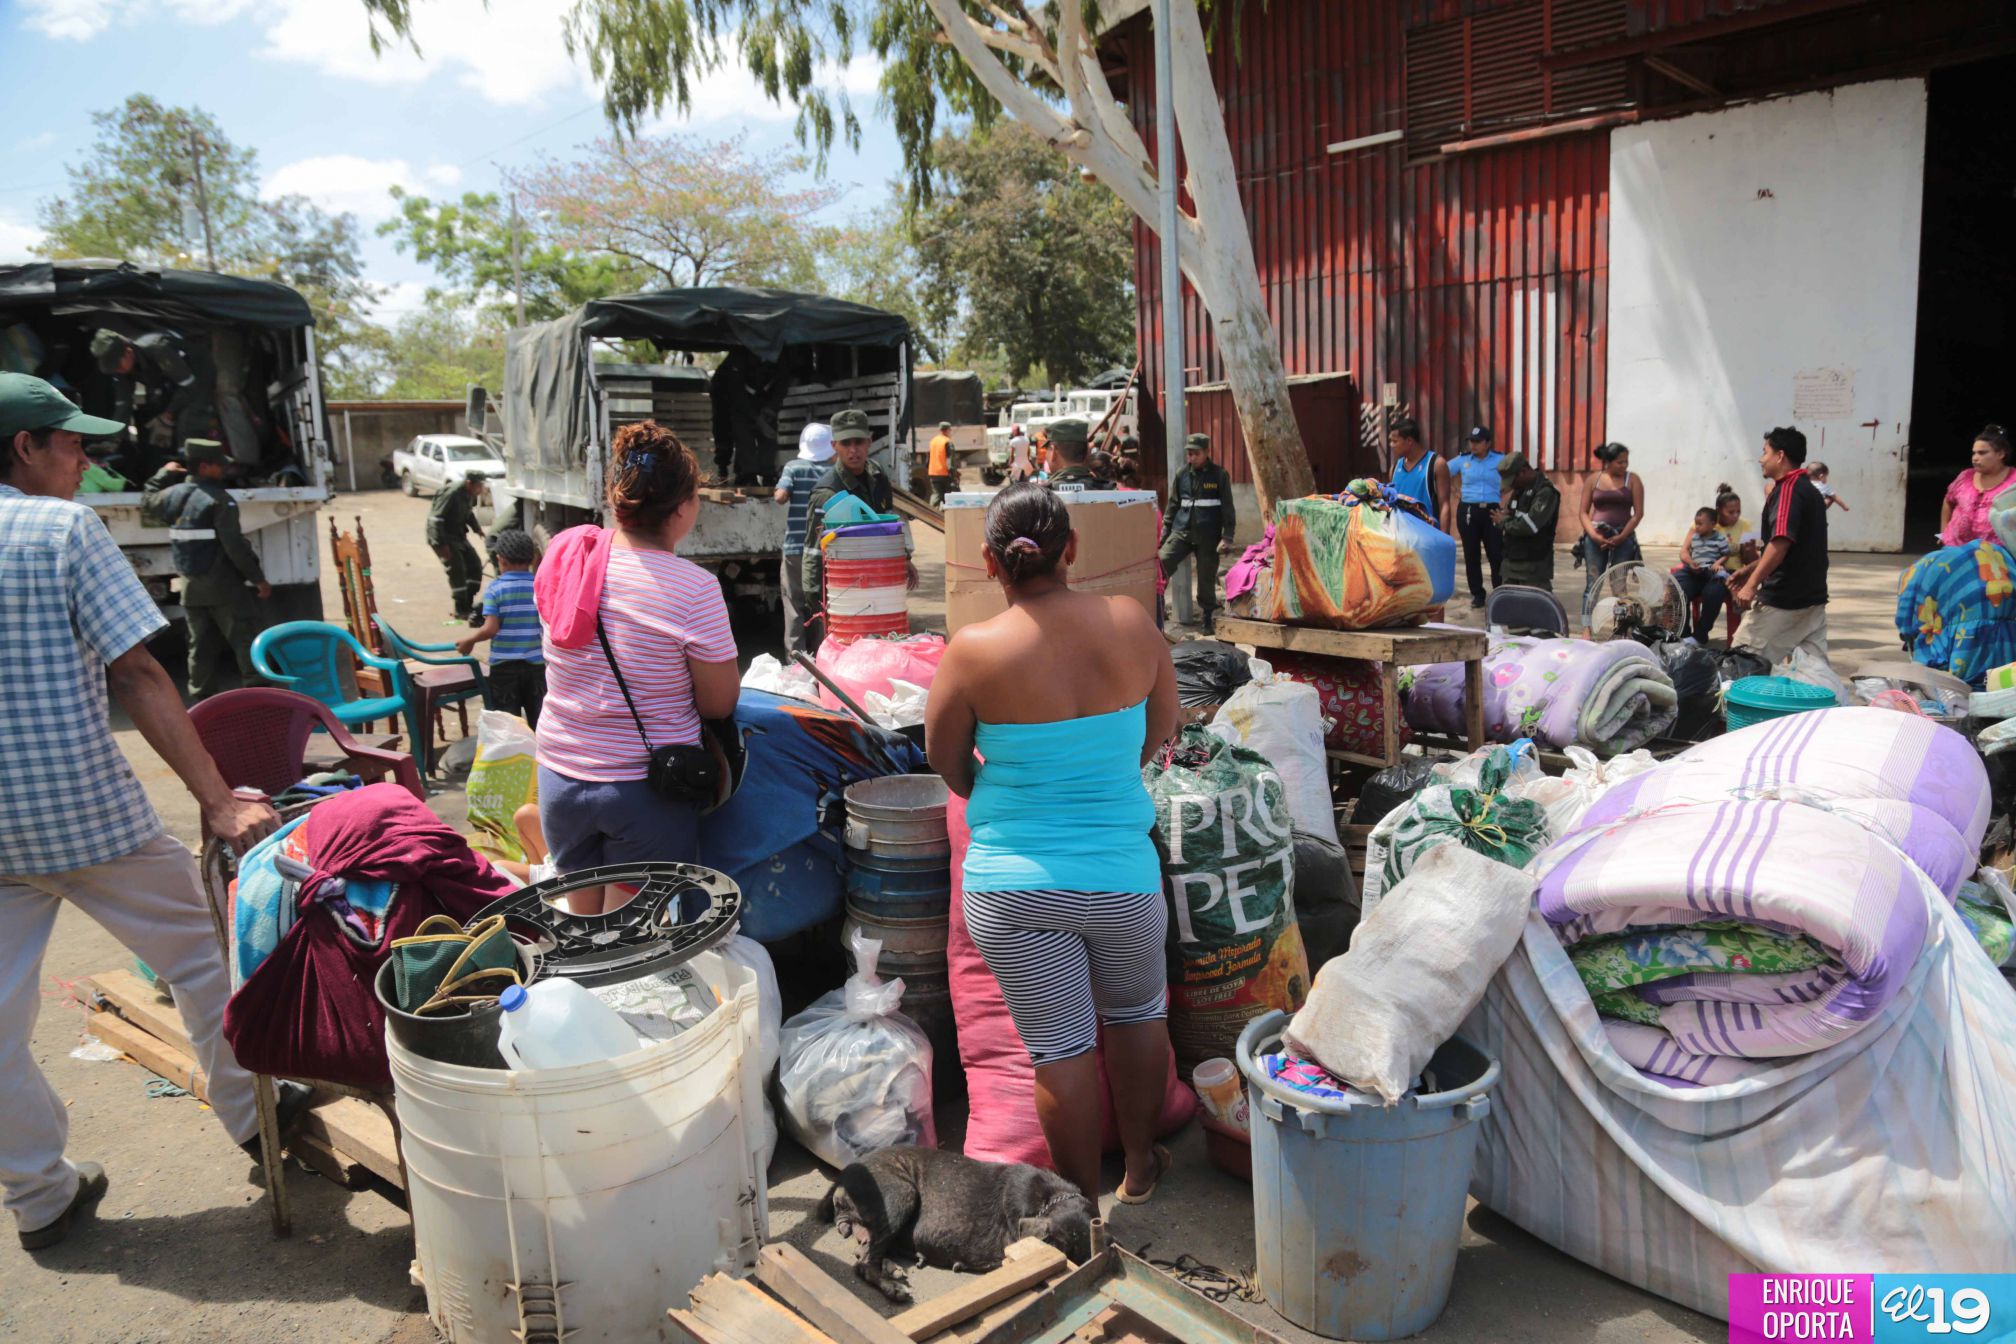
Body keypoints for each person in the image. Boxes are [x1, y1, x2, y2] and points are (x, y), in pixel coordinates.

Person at [0, 372, 295, 1252]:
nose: (82, 460)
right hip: (82, 814)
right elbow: (134, 672)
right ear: (23, 447)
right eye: (70, 443)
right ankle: (252, 1117)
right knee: (204, 953)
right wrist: (219, 800)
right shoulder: (59, 528)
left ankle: (38, 1197)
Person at [924, 482, 1179, 1204]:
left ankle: (1079, 1211)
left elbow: (947, 763)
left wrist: (1001, 794)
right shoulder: (1131, 623)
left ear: (989, 562)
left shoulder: (972, 651)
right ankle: (1139, 1168)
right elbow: (1162, 727)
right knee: (1138, 1018)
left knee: (1059, 1049)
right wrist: (1106, 774)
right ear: (1072, 549)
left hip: (1011, 891)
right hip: (1123, 878)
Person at [533, 421, 740, 913]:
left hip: (559, 776)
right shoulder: (694, 588)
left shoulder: (568, 560)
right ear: (683, 507)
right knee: (629, 936)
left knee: (584, 924)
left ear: (616, 497)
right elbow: (718, 702)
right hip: (641, 789)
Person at [141, 438, 271, 701]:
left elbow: (148, 500)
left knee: (199, 647)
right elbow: (235, 547)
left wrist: (163, 474)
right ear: (204, 467)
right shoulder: (219, 500)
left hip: (191, 588)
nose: (223, 469)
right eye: (218, 464)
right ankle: (260, 699)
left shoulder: (172, 495)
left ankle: (202, 703)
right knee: (245, 641)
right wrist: (258, 579)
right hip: (225, 587)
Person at [802, 408, 918, 628]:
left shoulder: (877, 475)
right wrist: (817, 601)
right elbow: (814, 551)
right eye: (846, 443)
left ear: (869, 442)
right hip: (845, 591)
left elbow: (888, 523)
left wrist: (904, 557)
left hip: (879, 581)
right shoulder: (826, 492)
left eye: (859, 442)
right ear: (834, 446)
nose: (853, 450)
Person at [1730, 426, 1829, 665]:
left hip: (1785, 600)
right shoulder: (1810, 491)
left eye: (1765, 452)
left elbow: (1781, 543)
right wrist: (1749, 569)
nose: (1761, 459)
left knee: (1740, 664)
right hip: (1813, 599)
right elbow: (1795, 548)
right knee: (1813, 674)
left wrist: (1750, 586)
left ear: (1780, 456)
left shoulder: (1788, 490)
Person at [457, 528, 546, 727]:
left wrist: (469, 641)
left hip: (504, 669)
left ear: (500, 560)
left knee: (507, 725)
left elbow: (490, 629)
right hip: (536, 667)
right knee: (539, 722)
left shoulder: (495, 589)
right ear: (533, 559)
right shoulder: (539, 586)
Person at [1159, 432, 1236, 633]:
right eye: (1189, 454)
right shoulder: (1182, 474)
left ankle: (1208, 616)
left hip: (1208, 536)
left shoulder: (1219, 475)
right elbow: (1173, 505)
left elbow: (1228, 508)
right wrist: (1164, 533)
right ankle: (1158, 606)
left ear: (1207, 452)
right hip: (1182, 531)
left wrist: (1227, 537)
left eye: (1196, 454)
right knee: (1161, 563)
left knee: (1206, 578)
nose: (1191, 458)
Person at [774, 422, 833, 657]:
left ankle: (796, 660)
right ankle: (823, 656)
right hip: (823, 550)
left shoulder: (794, 467)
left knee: (793, 604)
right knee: (822, 603)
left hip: (795, 549)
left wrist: (785, 491)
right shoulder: (833, 472)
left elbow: (780, 496)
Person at [1576, 441, 1645, 631]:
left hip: (1623, 538)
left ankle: (1623, 627)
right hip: (1595, 539)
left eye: (1626, 462)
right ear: (1608, 461)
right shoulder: (1594, 480)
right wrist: (1594, 535)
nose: (1624, 466)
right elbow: (1583, 512)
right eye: (1619, 462)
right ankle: (1587, 628)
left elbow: (1638, 513)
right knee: (1593, 584)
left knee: (1619, 585)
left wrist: (1622, 536)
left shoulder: (1633, 480)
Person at [1449, 425, 1506, 606]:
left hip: (1492, 510)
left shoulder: (1500, 459)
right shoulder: (1463, 460)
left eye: (1478, 442)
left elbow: (1516, 474)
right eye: (1471, 441)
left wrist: (1505, 496)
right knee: (1471, 554)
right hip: (1468, 510)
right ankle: (1477, 594)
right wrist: (1454, 490)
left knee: (1496, 554)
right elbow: (1441, 471)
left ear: (1487, 443)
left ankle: (1500, 594)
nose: (1473, 445)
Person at [1492, 451, 1559, 590]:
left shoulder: (1545, 492)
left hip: (1533, 568)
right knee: (1508, 602)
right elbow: (1509, 513)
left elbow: (1530, 526)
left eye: (1512, 481)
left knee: (1533, 603)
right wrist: (1505, 517)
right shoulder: (1520, 489)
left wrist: (1503, 521)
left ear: (1522, 472)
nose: (1511, 486)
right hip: (1511, 564)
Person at [1940, 426, 2014, 548]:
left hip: (1997, 554)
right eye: (1974, 453)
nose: (1975, 458)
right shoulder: (1965, 477)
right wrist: (1943, 534)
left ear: (2000, 454)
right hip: (1955, 549)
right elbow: (1948, 500)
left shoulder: (2013, 482)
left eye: (1982, 453)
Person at [428, 471, 488, 620]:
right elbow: (436, 519)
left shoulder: (469, 494)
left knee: (475, 565)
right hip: (443, 536)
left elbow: (468, 513)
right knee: (457, 570)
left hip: (458, 535)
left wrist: (477, 529)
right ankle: (459, 608)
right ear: (469, 483)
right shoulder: (451, 493)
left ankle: (468, 603)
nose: (480, 489)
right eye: (478, 485)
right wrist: (440, 544)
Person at [1674, 507, 1732, 644]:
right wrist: (1691, 562)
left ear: (1712, 524)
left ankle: (1700, 635)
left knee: (1713, 592)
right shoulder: (1694, 537)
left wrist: (1717, 564)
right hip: (1694, 570)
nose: (1697, 527)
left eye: (1700, 524)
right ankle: (1683, 634)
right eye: (1696, 524)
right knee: (1676, 586)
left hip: (1711, 571)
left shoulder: (1720, 538)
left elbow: (1726, 554)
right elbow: (1686, 552)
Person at [1386, 417, 1452, 535]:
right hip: (1400, 537)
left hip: (1427, 536)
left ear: (1409, 441)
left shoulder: (1436, 464)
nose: (1391, 445)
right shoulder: (1394, 468)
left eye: (1395, 441)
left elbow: (1444, 505)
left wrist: (1444, 537)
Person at [1044, 419, 1108, 487]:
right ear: (1088, 451)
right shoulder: (1108, 488)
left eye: (1047, 449)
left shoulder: (1043, 491)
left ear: (1053, 452)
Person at [1713, 484, 1760, 571]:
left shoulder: (1745, 525)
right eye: (1731, 512)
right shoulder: (1706, 523)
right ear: (1718, 510)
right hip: (1707, 572)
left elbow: (1750, 562)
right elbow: (1687, 550)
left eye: (1738, 511)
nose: (1736, 516)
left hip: (1734, 573)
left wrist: (1750, 550)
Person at [926, 421, 955, 506]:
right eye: (950, 430)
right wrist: (952, 474)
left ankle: (932, 511)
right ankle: (948, 512)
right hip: (944, 473)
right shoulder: (947, 442)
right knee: (948, 496)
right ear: (947, 430)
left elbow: (928, 458)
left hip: (933, 473)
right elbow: (950, 460)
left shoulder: (933, 441)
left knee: (936, 495)